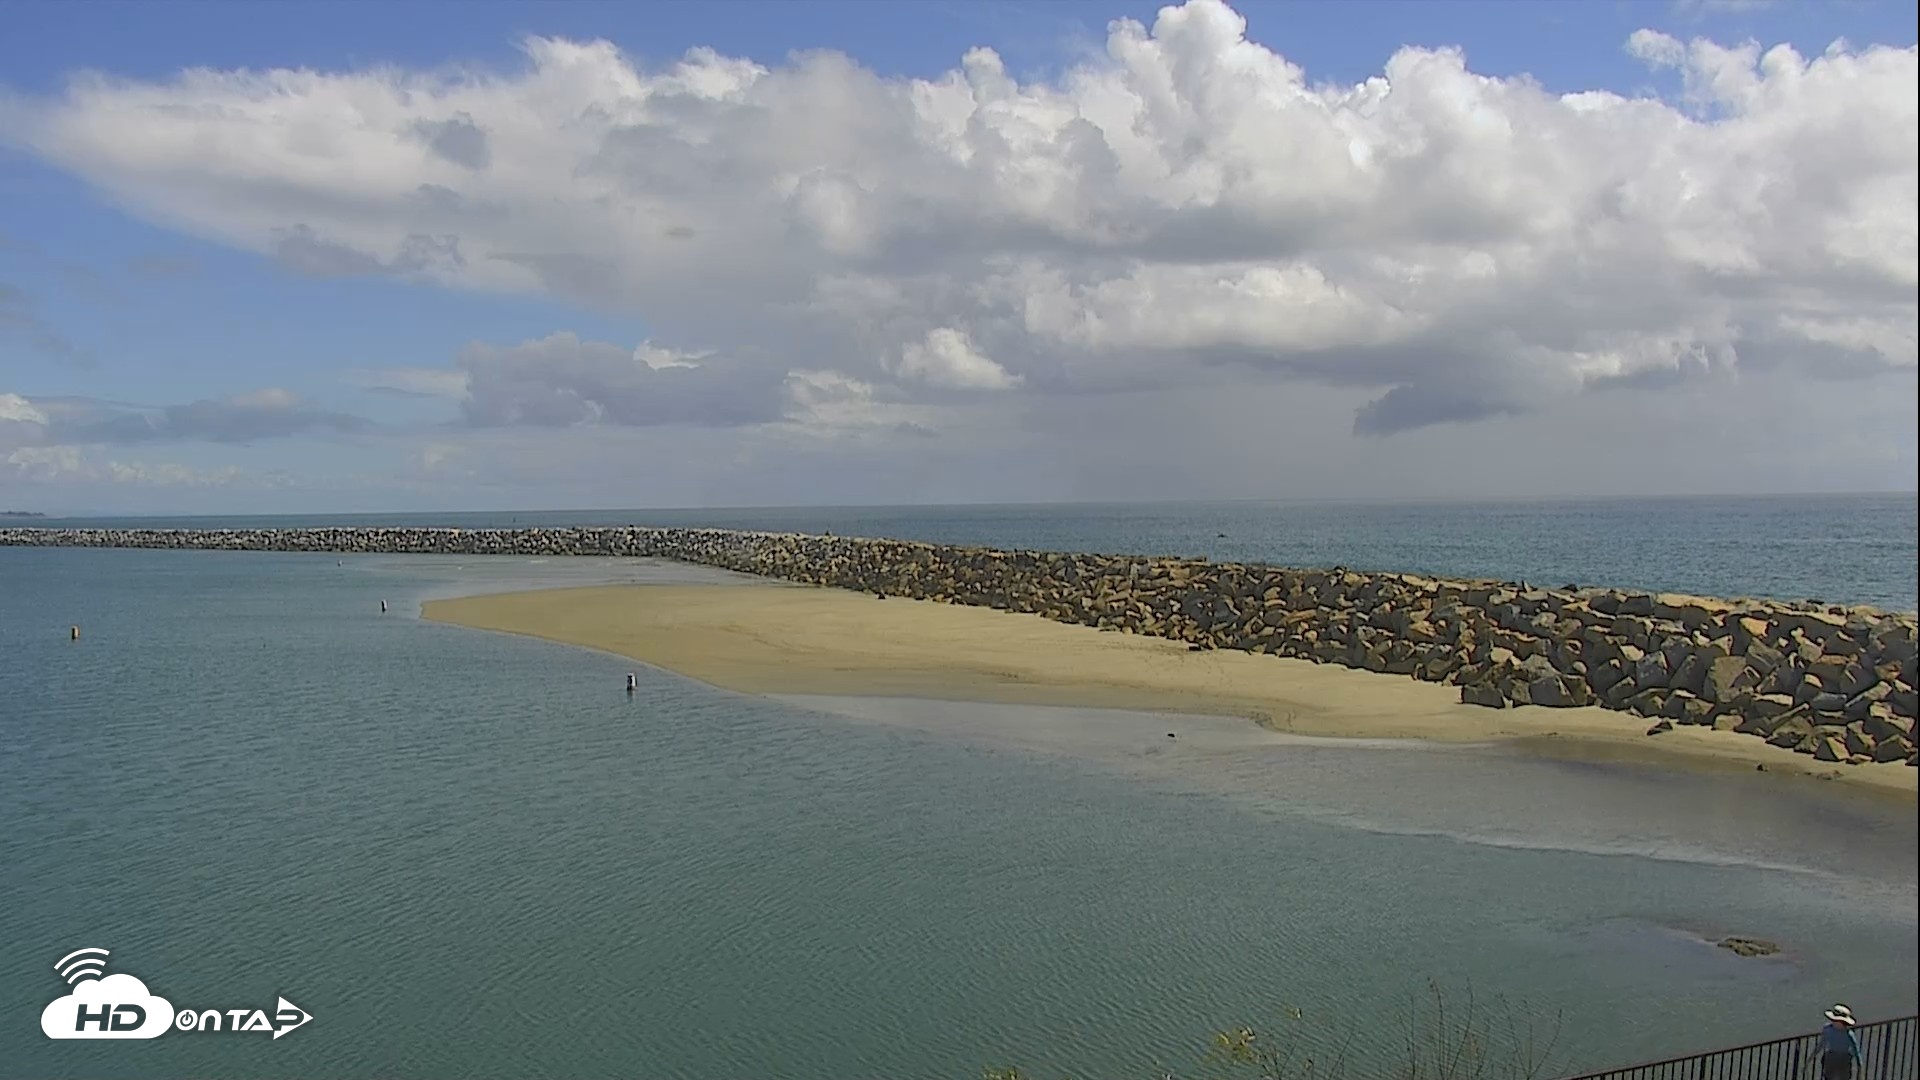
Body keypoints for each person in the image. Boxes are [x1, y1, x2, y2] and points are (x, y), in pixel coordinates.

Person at [1818, 1004, 1862, 1080]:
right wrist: (1809, 1060)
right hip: (1831, 1059)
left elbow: (1856, 1050)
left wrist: (1859, 1066)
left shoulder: (1849, 1034)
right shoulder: (1827, 1029)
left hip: (1844, 1060)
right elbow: (1820, 1045)